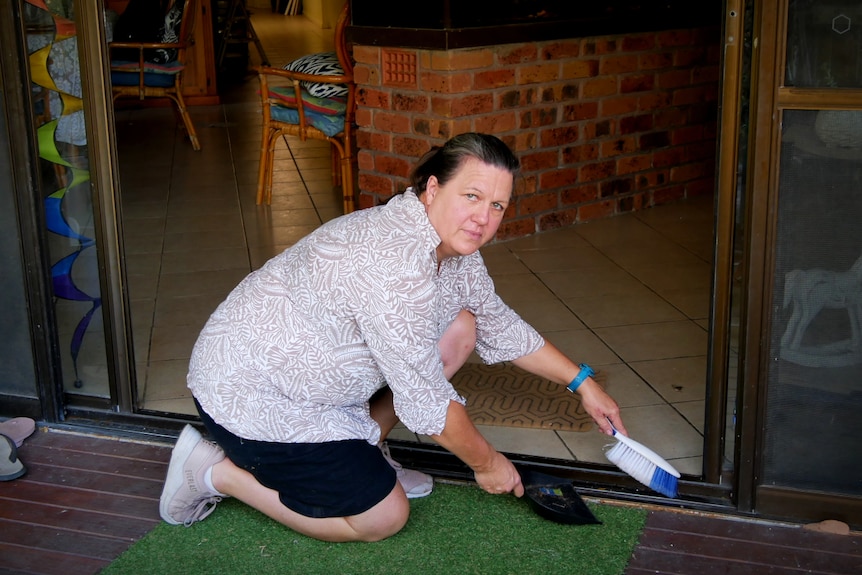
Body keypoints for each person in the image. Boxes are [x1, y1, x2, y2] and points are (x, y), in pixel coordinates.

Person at [159, 132, 627, 541]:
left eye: (497, 205)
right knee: (382, 516)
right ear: (431, 189)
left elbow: (496, 322)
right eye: (471, 196)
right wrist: (487, 463)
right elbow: (428, 404)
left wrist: (582, 382)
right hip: (254, 394)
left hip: (324, 389)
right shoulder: (394, 264)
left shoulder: (450, 247)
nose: (483, 217)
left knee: (463, 325)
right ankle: (212, 471)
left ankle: (365, 446)